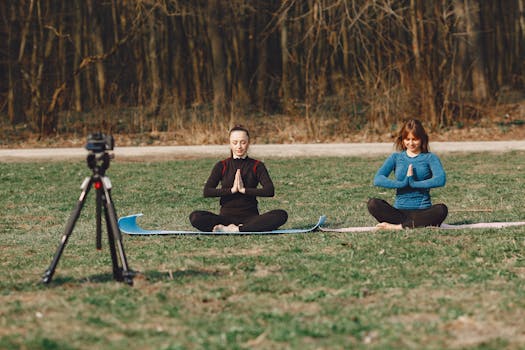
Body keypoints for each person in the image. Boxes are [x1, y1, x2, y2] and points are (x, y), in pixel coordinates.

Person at [189, 125, 288, 232]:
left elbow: (270, 191)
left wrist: (244, 190)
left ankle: (237, 229)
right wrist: (232, 190)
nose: (239, 146)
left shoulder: (257, 165)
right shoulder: (222, 165)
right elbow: (207, 191)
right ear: (230, 144)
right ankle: (236, 228)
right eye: (235, 142)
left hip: (250, 218)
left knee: (281, 215)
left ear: (248, 143)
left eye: (243, 142)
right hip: (225, 219)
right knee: (195, 217)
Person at [367, 119, 448, 230]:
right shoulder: (396, 157)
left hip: (422, 212)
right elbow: (378, 179)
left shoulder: (430, 158)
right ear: (402, 139)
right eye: (407, 139)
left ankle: (397, 227)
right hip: (399, 213)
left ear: (422, 139)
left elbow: (440, 179)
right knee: (373, 203)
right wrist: (403, 183)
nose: (410, 143)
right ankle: (410, 224)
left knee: (441, 209)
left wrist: (414, 183)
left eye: (414, 139)